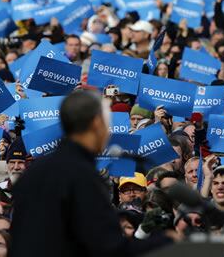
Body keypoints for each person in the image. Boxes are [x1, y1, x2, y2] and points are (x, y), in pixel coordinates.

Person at [12, 90, 172, 256]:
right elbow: (108, 247)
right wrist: (168, 240)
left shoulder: (33, 172)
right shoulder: (82, 175)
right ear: (97, 123)